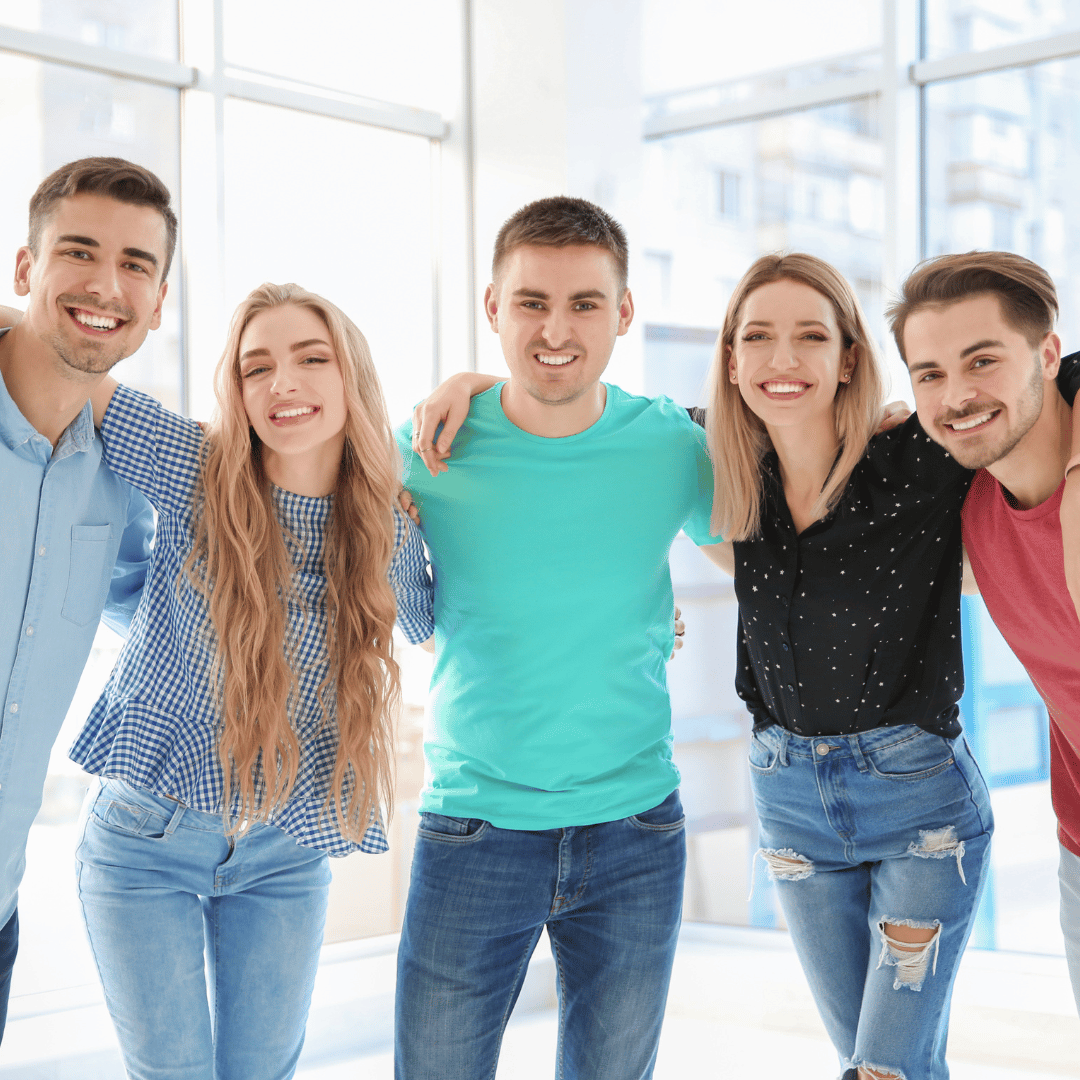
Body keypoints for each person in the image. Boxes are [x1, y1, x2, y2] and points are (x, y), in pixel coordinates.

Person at [418, 250, 1080, 1079]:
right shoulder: (713, 462)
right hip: (791, 806)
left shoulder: (920, 455)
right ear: (731, 361)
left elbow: (1020, 397)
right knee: (875, 1058)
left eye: (811, 336)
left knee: (884, 1068)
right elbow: (576, 402)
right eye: (757, 337)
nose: (782, 358)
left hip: (921, 810)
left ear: (848, 358)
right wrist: (473, 384)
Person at [394, 196, 723, 1080]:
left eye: (584, 303)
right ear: (493, 309)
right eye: (531, 301)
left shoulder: (670, 445)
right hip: (473, 825)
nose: (556, 328)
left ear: (623, 313)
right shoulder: (429, 442)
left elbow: (774, 553)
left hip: (635, 830)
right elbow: (322, 517)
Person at [70, 283, 433, 1080]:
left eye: (311, 358)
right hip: (144, 841)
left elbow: (447, 622)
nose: (283, 383)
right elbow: (66, 368)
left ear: (352, 380)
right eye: (255, 367)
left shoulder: (385, 529)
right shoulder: (197, 468)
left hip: (284, 850)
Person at [0, 157, 166, 1040]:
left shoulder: (124, 477)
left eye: (137, 263)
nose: (107, 285)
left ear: (160, 298)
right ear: (25, 270)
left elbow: (166, 616)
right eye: (79, 252)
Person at [890, 251, 1080, 1012]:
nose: (956, 394)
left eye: (982, 361)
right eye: (929, 373)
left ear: (1047, 353)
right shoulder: (971, 512)